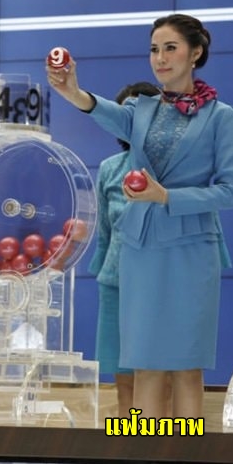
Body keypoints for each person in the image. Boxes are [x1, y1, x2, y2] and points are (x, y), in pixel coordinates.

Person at [48, 14, 233, 418]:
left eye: (171, 48)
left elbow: (231, 191)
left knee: (187, 367)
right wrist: (72, 91)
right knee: (145, 366)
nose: (160, 58)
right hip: (140, 250)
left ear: (196, 53)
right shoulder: (139, 109)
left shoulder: (224, 117)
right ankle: (146, 447)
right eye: (154, 49)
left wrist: (166, 196)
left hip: (192, 251)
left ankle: (186, 448)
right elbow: (101, 110)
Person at [87, 81, 167, 417]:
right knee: (124, 383)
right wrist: (101, 272)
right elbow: (105, 233)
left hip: (162, 285)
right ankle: (127, 441)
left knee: (161, 382)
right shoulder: (109, 169)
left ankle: (164, 442)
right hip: (116, 285)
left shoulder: (175, 167)